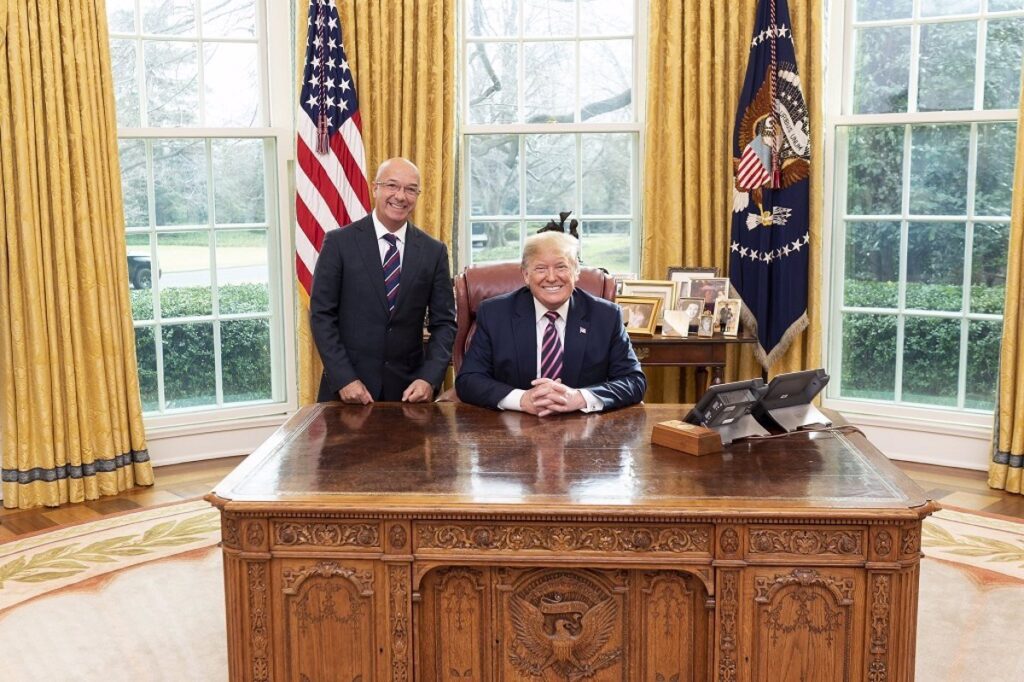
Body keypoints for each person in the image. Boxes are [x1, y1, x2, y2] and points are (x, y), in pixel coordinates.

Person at [310, 157, 456, 404]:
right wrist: (344, 378)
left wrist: (429, 378)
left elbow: (444, 323)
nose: (401, 196)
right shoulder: (339, 243)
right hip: (348, 390)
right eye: (392, 185)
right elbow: (322, 315)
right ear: (375, 188)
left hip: (409, 394)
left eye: (411, 189)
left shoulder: (433, 251)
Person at [455, 232, 646, 416]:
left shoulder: (606, 316)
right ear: (525, 275)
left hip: (585, 432)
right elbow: (468, 380)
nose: (552, 277)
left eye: (562, 267)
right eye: (540, 269)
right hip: (511, 431)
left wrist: (579, 398)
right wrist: (522, 399)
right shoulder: (495, 314)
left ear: (576, 272)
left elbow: (634, 381)